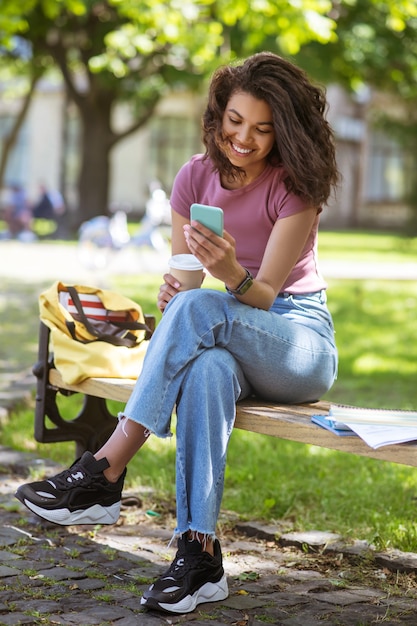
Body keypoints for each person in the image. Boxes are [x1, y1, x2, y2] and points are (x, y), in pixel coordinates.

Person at [15, 52, 339, 614]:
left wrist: (226, 274)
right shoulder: (193, 176)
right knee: (207, 364)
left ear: (282, 130)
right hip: (222, 331)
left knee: (199, 306)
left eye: (263, 129)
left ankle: (107, 467)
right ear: (218, 115)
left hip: (297, 340)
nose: (245, 139)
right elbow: (184, 284)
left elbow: (262, 295)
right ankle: (199, 555)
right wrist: (178, 297)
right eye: (236, 122)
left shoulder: (295, 187)